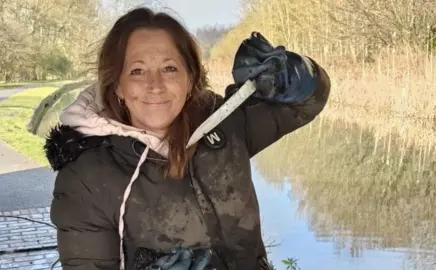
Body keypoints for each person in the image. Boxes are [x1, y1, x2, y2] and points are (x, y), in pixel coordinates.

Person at [44, 7, 330, 270]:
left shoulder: (225, 123)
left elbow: (308, 102)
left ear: (191, 78)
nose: (155, 85)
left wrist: (293, 72)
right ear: (117, 85)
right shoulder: (86, 175)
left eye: (169, 68)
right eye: (137, 71)